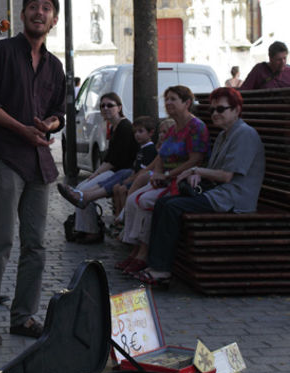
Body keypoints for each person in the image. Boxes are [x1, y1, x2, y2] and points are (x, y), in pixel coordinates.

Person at [0, 0, 66, 349]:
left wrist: (50, 125)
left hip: (39, 163)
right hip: (6, 155)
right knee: (1, 239)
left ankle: (23, 316)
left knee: (37, 244)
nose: (39, 12)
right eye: (33, 7)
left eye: (46, 8)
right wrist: (22, 129)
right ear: (23, 15)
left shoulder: (55, 66)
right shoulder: (0, 52)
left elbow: (59, 112)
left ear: (54, 21)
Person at [134, 87, 265, 288]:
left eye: (221, 109)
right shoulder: (224, 135)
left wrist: (197, 170)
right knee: (164, 203)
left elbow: (226, 176)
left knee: (171, 207)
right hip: (218, 192)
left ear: (237, 110)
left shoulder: (244, 134)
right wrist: (197, 174)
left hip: (233, 198)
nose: (215, 114)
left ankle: (161, 270)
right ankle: (156, 265)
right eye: (212, 110)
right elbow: (214, 172)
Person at [118, 85, 209, 274]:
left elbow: (195, 159)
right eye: (166, 99)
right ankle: (135, 250)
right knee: (132, 199)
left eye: (173, 99)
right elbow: (162, 156)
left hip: (181, 181)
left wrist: (167, 176)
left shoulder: (196, 127)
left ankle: (143, 253)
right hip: (165, 179)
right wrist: (158, 174)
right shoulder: (173, 128)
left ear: (187, 103)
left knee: (145, 201)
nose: (168, 103)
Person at [56, 92, 138, 244]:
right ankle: (85, 229)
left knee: (82, 188)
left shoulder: (124, 127)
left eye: (110, 105)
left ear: (119, 107)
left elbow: (114, 161)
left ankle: (91, 231)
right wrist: (94, 174)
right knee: (81, 186)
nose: (105, 108)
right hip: (114, 170)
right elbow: (110, 159)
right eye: (102, 106)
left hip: (121, 173)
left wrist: (94, 175)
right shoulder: (114, 127)